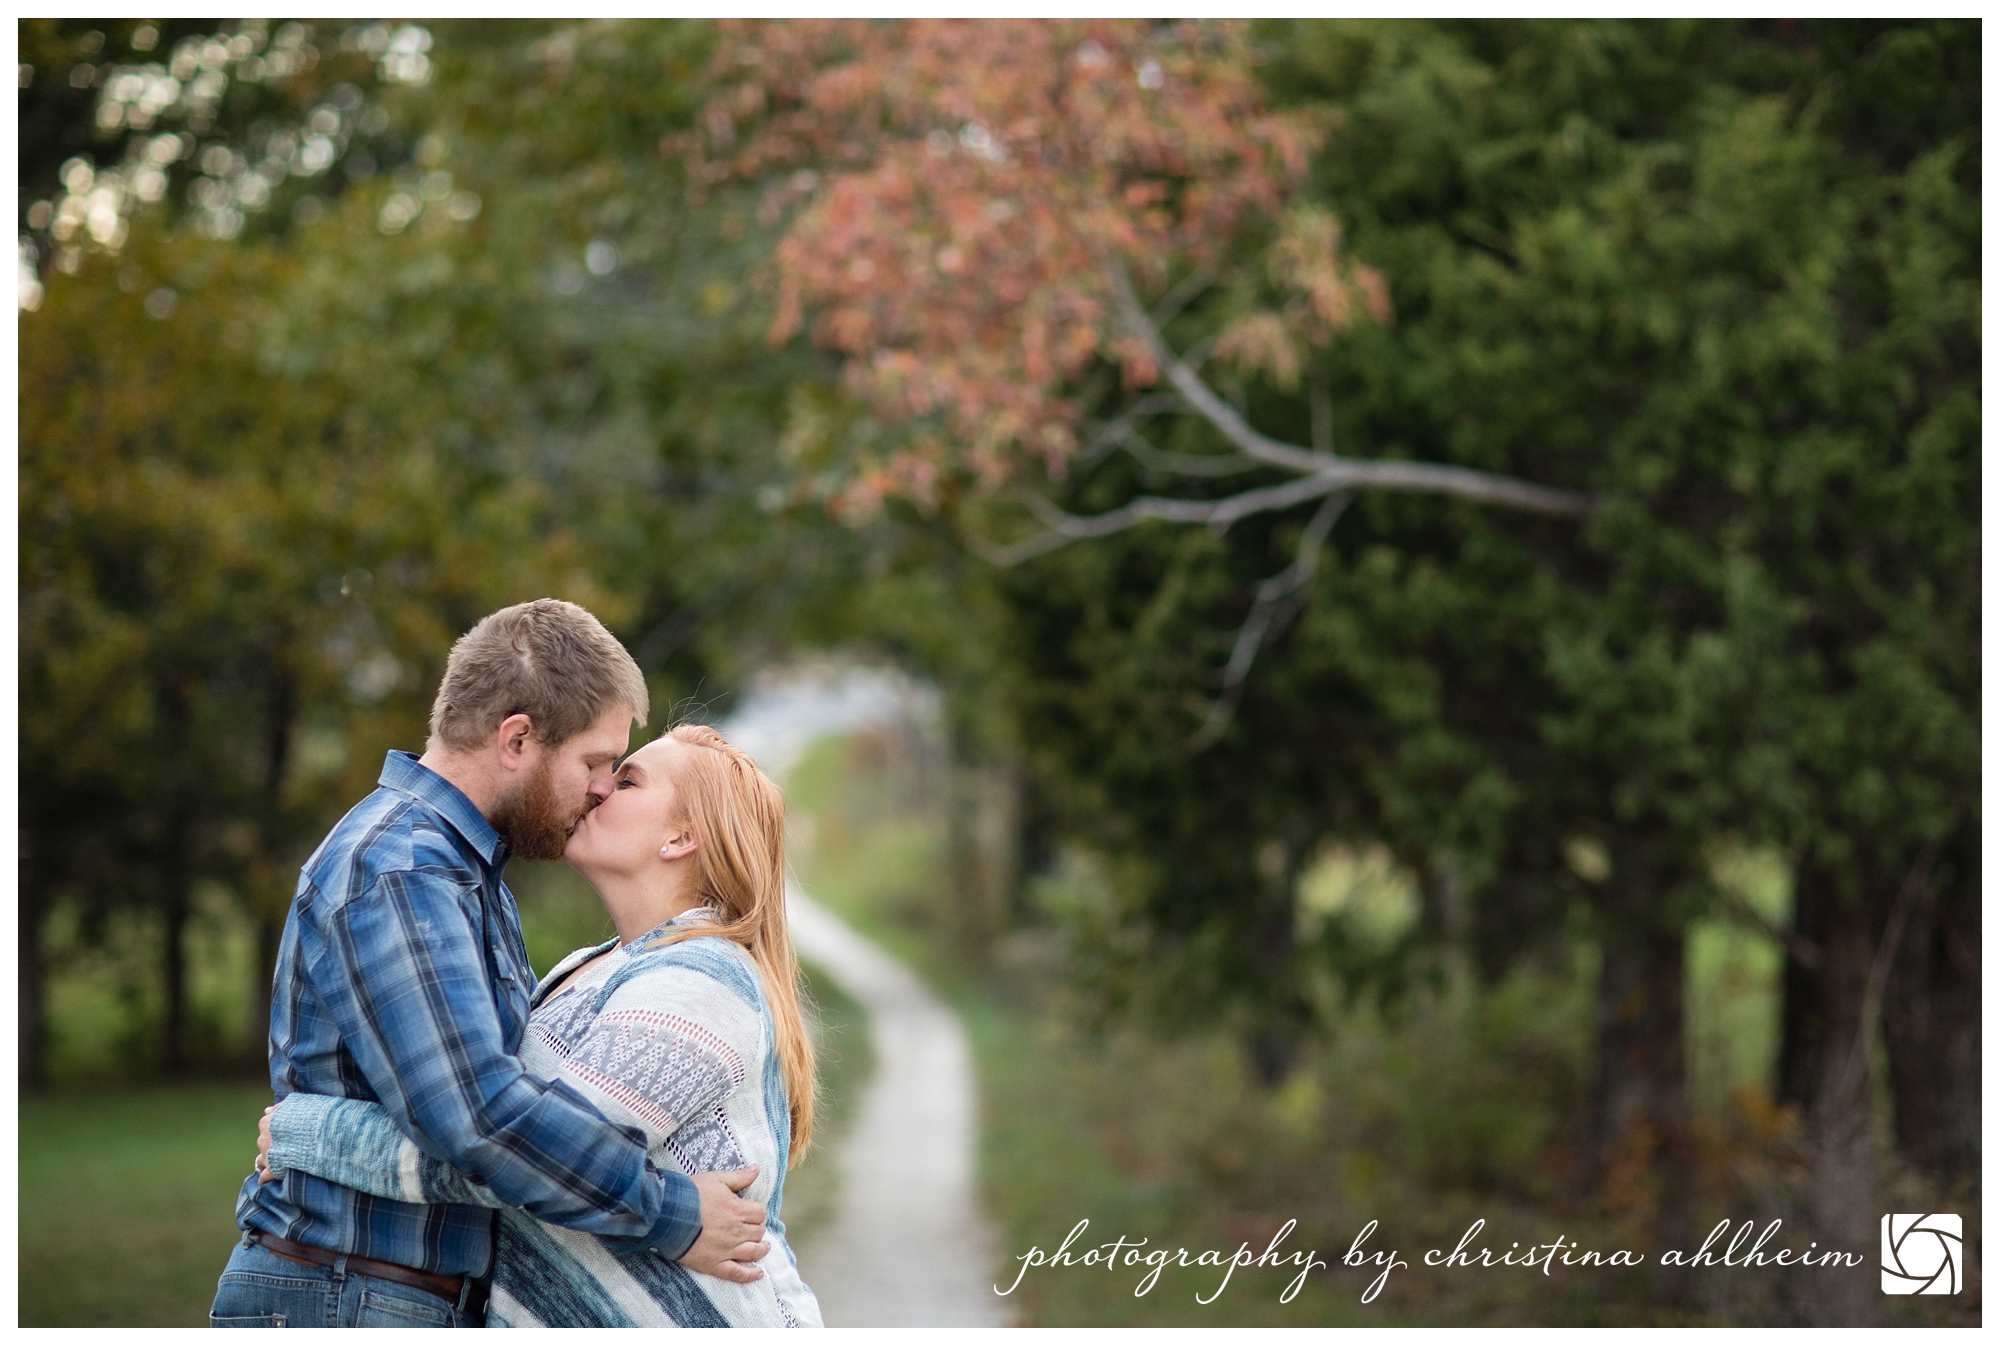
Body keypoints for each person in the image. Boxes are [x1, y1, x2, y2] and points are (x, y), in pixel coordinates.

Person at [211, 600, 770, 1329]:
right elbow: (479, 1119)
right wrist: (672, 1213)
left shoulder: (465, 874)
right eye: (595, 762)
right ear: (517, 740)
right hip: (346, 1294)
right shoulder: (403, 869)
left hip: (381, 1291)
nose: (602, 786)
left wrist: (309, 1132)